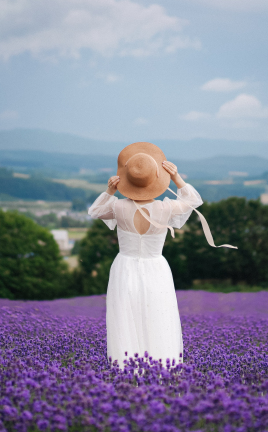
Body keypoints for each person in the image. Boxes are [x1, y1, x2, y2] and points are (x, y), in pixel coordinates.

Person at [88, 142, 234, 368]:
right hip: (156, 268)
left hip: (124, 267)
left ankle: (126, 369)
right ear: (155, 180)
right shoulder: (165, 208)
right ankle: (161, 369)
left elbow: (95, 211)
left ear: (127, 179)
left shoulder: (118, 207)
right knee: (158, 316)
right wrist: (177, 178)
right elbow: (193, 201)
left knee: (125, 318)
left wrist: (110, 190)